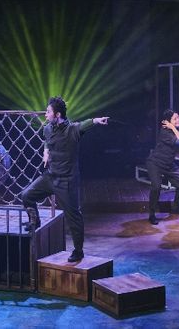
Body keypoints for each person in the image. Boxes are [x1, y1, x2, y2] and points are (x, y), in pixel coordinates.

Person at [21, 96, 108, 263]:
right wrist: (46, 152)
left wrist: (96, 120)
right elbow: (47, 141)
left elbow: (84, 125)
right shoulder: (47, 128)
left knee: (74, 216)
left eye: (48, 112)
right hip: (50, 176)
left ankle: (78, 251)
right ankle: (35, 221)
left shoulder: (72, 130)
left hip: (67, 181)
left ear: (58, 114)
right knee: (26, 195)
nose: (45, 114)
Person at [146, 109, 179, 225]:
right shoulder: (165, 131)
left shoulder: (175, 129)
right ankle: (152, 214)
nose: (177, 120)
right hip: (155, 163)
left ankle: (176, 207)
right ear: (168, 121)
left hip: (168, 163)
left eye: (178, 118)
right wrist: (173, 127)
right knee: (156, 187)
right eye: (174, 119)